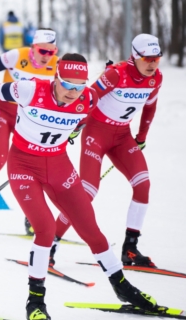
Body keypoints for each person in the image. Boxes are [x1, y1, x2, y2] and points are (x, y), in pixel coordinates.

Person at [0, 53, 158, 320]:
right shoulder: (29, 89)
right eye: (68, 85)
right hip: (23, 166)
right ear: (56, 78)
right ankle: (36, 300)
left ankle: (121, 286)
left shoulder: (87, 98)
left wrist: (76, 129)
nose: (73, 92)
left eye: (80, 86)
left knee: (90, 227)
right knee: (43, 228)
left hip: (58, 166)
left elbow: (86, 116)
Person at [51, 34, 163, 267]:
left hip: (122, 136)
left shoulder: (156, 79)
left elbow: (150, 108)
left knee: (143, 185)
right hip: (96, 134)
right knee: (87, 192)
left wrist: (141, 137)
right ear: (135, 56)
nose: (152, 63)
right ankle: (50, 243)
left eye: (157, 58)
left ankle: (130, 249)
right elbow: (86, 98)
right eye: (147, 58)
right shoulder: (117, 74)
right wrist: (73, 124)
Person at [0, 29, 59, 230]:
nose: (47, 56)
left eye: (52, 52)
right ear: (34, 47)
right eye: (43, 51)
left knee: (33, 165)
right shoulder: (16, 56)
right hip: (2, 112)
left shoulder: (56, 66)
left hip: (27, 120)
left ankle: (32, 217)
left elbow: (63, 92)